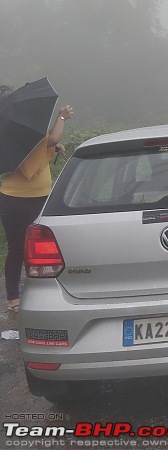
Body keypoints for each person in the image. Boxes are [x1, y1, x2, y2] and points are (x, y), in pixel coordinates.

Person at [1, 104, 74, 312]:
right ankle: (14, 298)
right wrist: (61, 117)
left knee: (42, 248)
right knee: (19, 248)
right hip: (17, 200)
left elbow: (46, 145)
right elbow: (52, 139)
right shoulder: (18, 135)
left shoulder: (20, 136)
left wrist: (52, 148)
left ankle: (34, 293)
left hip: (37, 198)